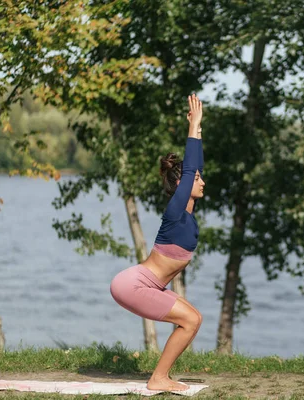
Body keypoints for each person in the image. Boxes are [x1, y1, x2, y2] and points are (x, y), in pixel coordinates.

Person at [110, 94, 206, 392]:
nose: (202, 182)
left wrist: (197, 129)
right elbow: (190, 169)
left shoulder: (187, 215)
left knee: (193, 319)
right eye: (197, 179)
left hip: (147, 284)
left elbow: (194, 166)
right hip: (134, 284)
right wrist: (194, 128)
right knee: (190, 320)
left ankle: (161, 376)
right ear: (181, 186)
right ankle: (158, 379)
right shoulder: (175, 210)